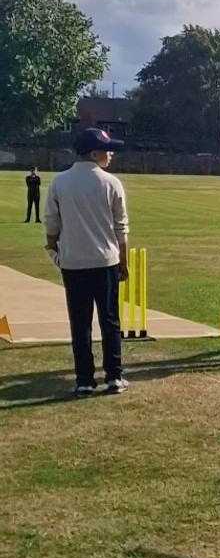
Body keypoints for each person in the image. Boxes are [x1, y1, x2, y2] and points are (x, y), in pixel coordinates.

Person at [43, 129, 129, 397]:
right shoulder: (111, 182)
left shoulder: (59, 181)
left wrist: (53, 247)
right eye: (107, 150)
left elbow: (51, 222)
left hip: (73, 262)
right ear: (94, 154)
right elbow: (121, 228)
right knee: (109, 320)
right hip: (105, 261)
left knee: (80, 323)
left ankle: (84, 380)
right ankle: (114, 377)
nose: (111, 154)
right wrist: (123, 263)